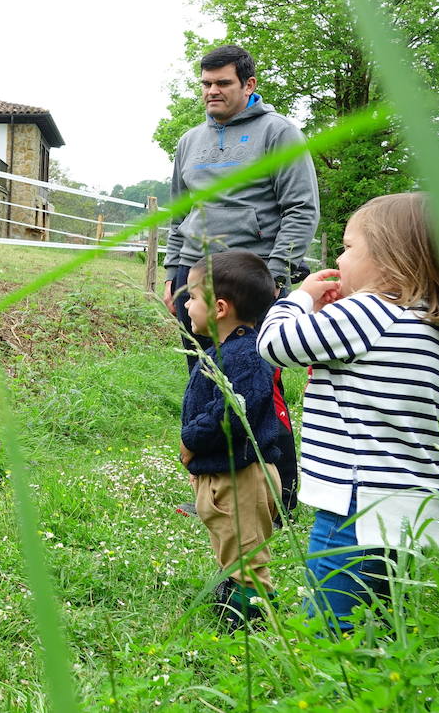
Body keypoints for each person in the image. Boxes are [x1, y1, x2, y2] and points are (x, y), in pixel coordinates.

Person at [257, 193, 439, 631]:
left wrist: (298, 300)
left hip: (355, 503)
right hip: (403, 502)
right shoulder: (422, 322)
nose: (338, 256)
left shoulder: (370, 310)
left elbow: (274, 345)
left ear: (391, 259)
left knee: (333, 631)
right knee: (375, 617)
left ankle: (336, 693)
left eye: (350, 246)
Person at [163, 44, 318, 519]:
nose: (212, 91)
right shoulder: (190, 141)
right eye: (206, 84)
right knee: (203, 384)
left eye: (223, 83)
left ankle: (280, 491)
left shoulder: (279, 134)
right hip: (197, 277)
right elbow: (178, 211)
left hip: (252, 281)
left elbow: (300, 210)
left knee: (256, 386)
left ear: (248, 85)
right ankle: (212, 488)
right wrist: (174, 270)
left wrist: (274, 278)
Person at [178, 250, 287, 627]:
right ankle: (234, 597)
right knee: (230, 546)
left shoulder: (247, 357)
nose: (187, 305)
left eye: (191, 297)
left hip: (243, 478)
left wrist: (191, 441)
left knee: (247, 557)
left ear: (220, 307)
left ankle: (249, 623)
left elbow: (231, 415)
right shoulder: (224, 352)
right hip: (225, 476)